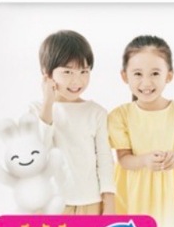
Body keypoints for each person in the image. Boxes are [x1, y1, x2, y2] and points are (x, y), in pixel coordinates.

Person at [107, 35, 174, 227]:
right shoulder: (120, 116)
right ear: (124, 76)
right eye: (138, 74)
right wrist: (144, 160)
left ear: (169, 75)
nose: (146, 82)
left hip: (172, 193)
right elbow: (123, 159)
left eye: (155, 73)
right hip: (134, 192)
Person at [35, 30, 115, 214]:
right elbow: (39, 152)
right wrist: (48, 103)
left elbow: (104, 158)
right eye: (67, 72)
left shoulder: (96, 112)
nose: (77, 80)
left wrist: (109, 202)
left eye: (84, 71)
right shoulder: (38, 111)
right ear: (47, 73)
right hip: (53, 203)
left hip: (92, 202)